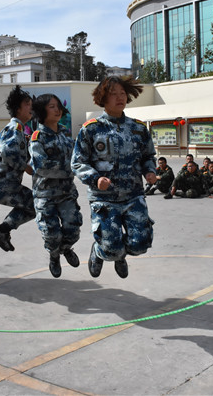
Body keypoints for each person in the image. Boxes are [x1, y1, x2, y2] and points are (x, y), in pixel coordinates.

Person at [72, 75, 156, 279]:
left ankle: (119, 253)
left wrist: (150, 171)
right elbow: (78, 162)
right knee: (111, 249)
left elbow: (148, 156)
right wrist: (95, 179)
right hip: (104, 199)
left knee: (140, 245)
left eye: (122, 93)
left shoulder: (138, 129)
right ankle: (102, 252)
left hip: (133, 196)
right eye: (113, 94)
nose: (120, 98)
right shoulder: (91, 129)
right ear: (103, 98)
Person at [29, 93, 83, 278]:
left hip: (67, 193)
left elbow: (77, 156)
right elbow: (42, 167)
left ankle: (66, 248)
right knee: (51, 235)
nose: (57, 109)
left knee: (73, 230)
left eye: (58, 106)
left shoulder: (65, 133)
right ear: (42, 111)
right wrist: (71, 169)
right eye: (51, 106)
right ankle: (54, 255)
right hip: (45, 195)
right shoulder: (37, 137)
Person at [0, 85, 37, 252]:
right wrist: (27, 167)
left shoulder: (18, 130)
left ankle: (3, 230)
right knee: (36, 203)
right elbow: (8, 154)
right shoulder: (15, 128)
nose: (31, 108)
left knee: (31, 203)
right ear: (18, 108)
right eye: (27, 104)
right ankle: (3, 229)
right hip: (1, 184)